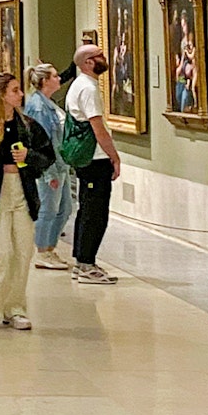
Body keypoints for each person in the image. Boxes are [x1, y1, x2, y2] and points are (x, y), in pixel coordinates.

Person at [0, 73, 55, 331]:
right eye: (15, 90)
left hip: (22, 192)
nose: (20, 94)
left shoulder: (27, 126)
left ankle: (15, 307)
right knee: (0, 253)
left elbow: (47, 156)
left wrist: (28, 157)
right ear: (1, 94)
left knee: (22, 252)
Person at [65, 44, 121, 284]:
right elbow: (98, 129)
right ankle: (86, 264)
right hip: (94, 158)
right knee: (95, 213)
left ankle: (82, 261)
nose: (104, 58)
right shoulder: (87, 88)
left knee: (87, 210)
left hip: (90, 159)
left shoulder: (81, 85)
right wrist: (114, 156)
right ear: (88, 62)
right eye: (99, 55)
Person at [24, 63, 73, 270]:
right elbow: (41, 142)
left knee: (65, 208)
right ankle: (42, 250)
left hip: (60, 164)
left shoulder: (49, 104)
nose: (59, 78)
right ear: (44, 81)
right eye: (54, 76)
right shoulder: (38, 107)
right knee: (48, 209)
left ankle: (50, 248)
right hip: (49, 167)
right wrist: (48, 172)